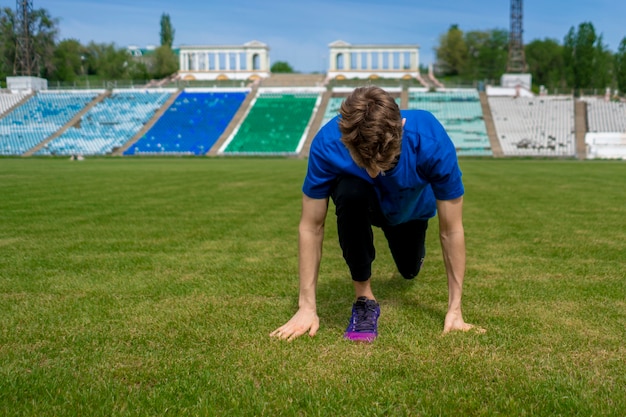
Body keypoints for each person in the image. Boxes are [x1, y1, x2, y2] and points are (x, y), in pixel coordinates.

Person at [270, 86, 482, 342]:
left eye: (383, 160)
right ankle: (364, 298)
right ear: (345, 137)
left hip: (408, 211)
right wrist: (306, 307)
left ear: (400, 127)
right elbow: (310, 226)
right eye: (362, 159)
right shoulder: (328, 143)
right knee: (350, 191)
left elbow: (452, 229)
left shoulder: (430, 140)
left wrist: (455, 309)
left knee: (409, 269)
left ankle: (411, 257)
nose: (372, 172)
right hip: (363, 204)